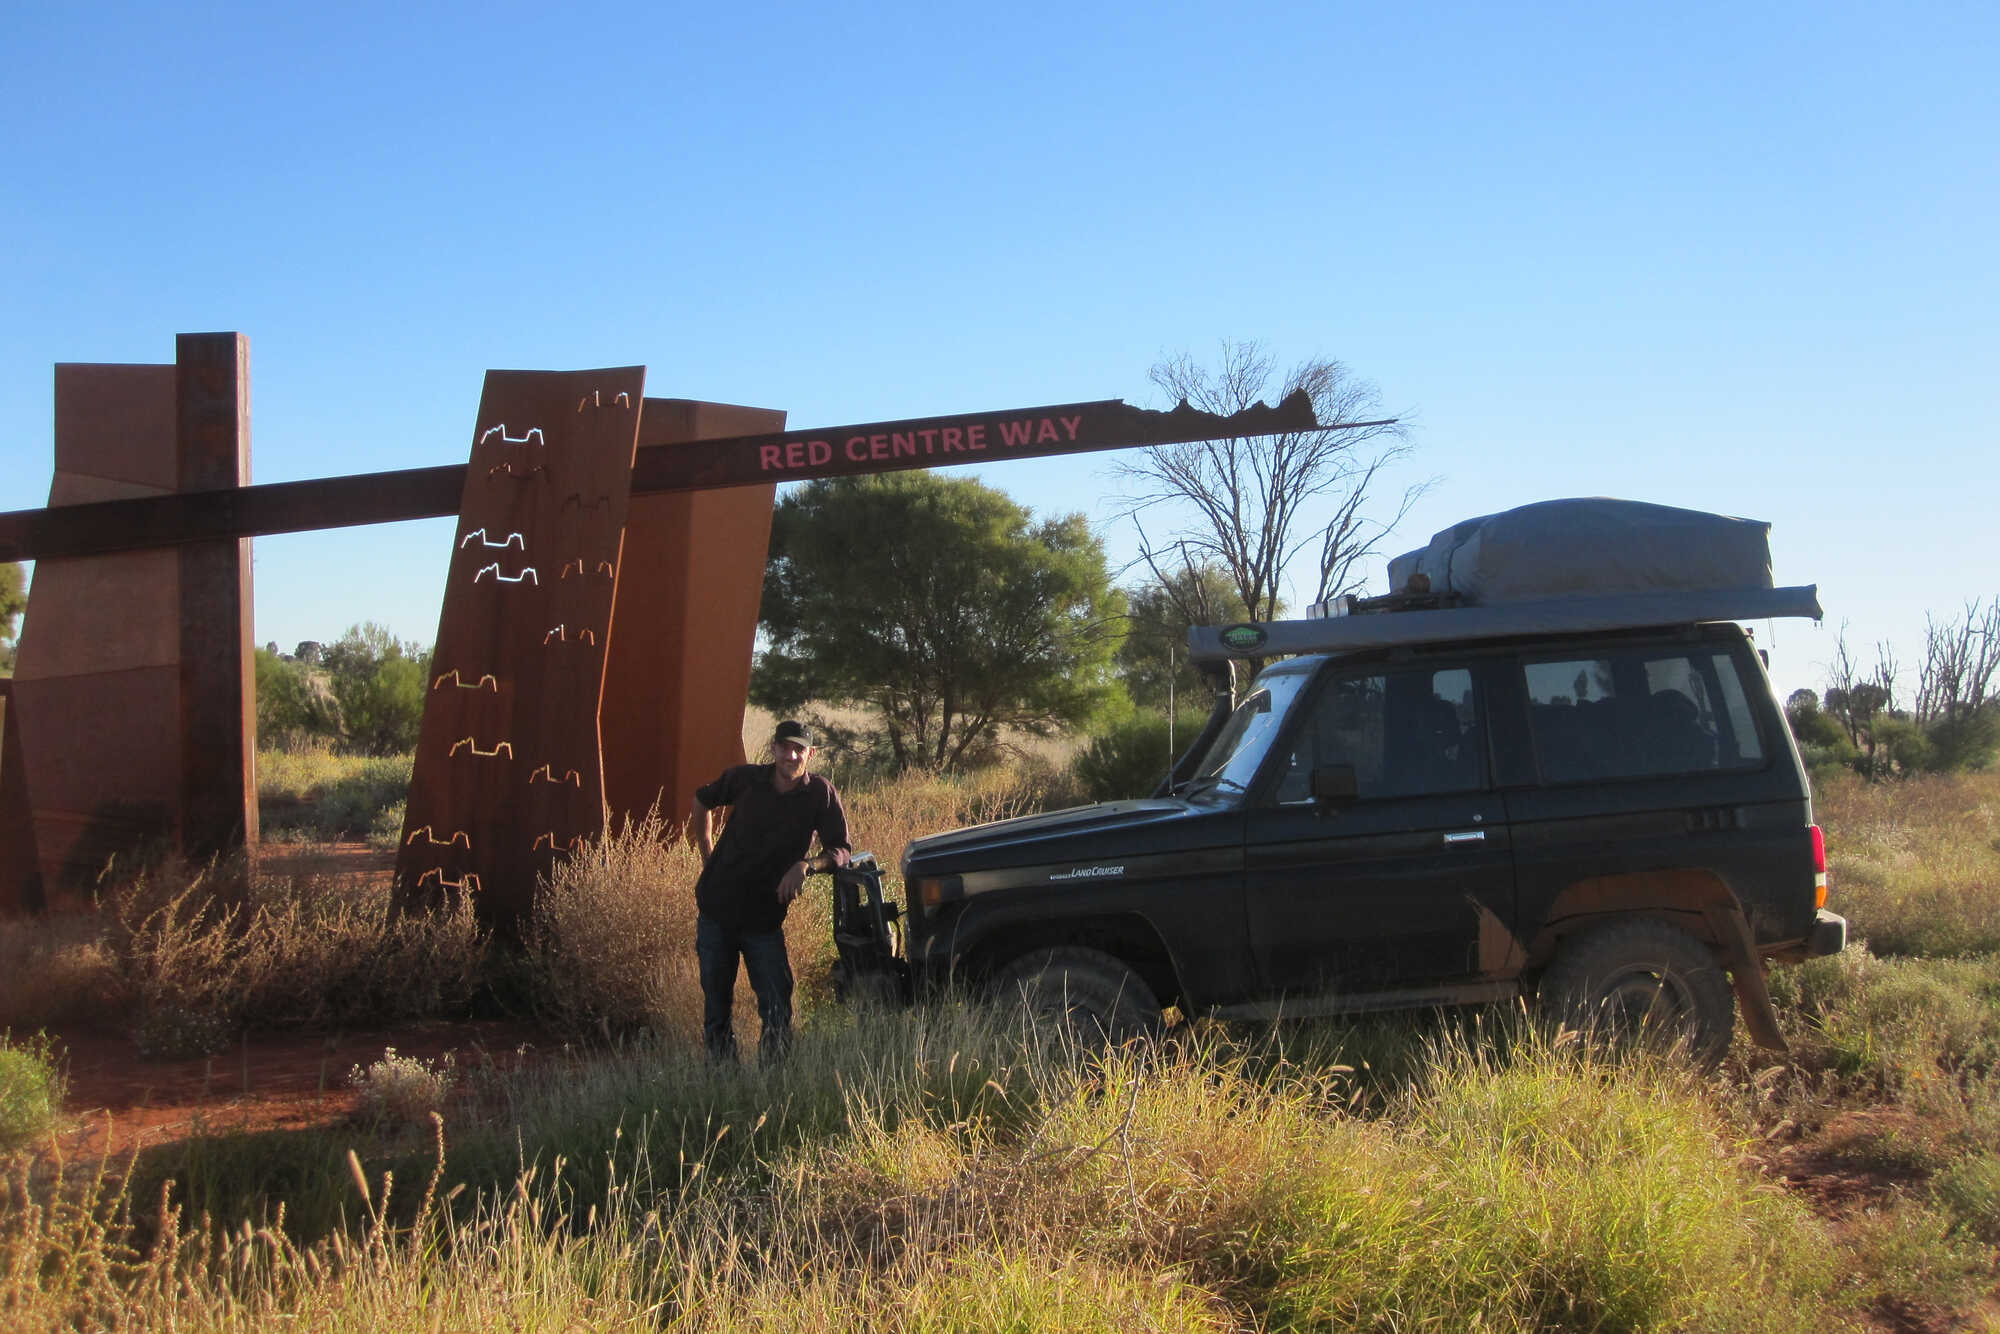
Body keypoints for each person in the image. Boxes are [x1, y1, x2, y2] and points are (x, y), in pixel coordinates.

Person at [688, 719, 850, 1063]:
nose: (791, 756)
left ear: (811, 754)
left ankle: (773, 1083)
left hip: (764, 919)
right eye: (784, 747)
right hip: (717, 910)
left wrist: (805, 866)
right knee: (716, 1008)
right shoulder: (745, 779)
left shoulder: (820, 794)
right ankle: (722, 1079)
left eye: (799, 749)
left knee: (777, 1008)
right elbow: (702, 799)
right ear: (773, 748)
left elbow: (840, 851)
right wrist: (707, 853)